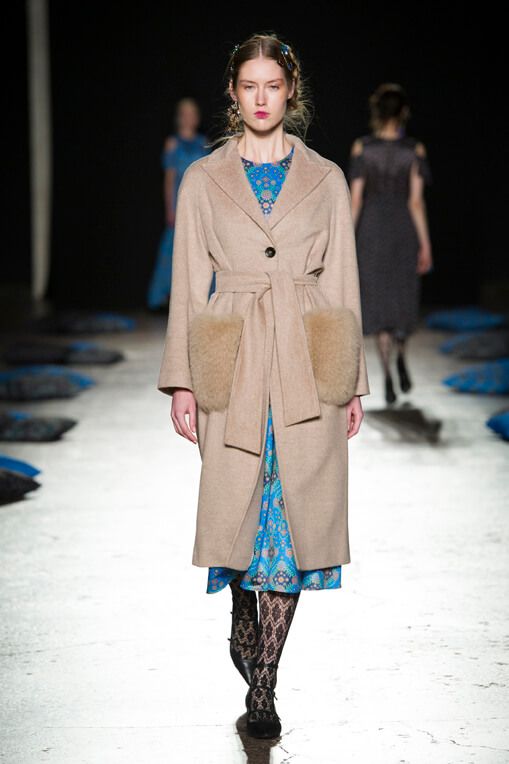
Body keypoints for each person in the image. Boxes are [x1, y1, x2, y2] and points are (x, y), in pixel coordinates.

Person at [156, 33, 370, 739]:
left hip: (307, 355)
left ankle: (265, 685)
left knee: (292, 513)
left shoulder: (326, 178)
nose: (259, 98)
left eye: (271, 86)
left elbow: (342, 282)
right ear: (232, 92)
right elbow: (188, 283)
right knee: (240, 508)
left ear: (289, 91)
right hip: (234, 355)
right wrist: (182, 382)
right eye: (248, 86)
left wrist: (352, 382)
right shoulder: (201, 179)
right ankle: (240, 614)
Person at [348, 83, 433, 404]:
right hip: (402, 230)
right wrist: (425, 244)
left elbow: (356, 200)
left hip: (371, 231)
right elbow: (416, 202)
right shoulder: (414, 150)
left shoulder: (362, 148)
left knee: (379, 300)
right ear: (404, 112)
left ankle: (385, 372)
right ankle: (401, 353)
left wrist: (346, 238)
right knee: (401, 297)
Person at [147, 97, 211, 310]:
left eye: (192, 114)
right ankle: (168, 296)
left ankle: (201, 296)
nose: (189, 118)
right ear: (179, 117)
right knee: (174, 250)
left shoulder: (203, 142)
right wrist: (170, 208)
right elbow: (169, 179)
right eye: (185, 114)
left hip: (198, 203)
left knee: (201, 249)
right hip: (179, 202)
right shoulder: (172, 143)